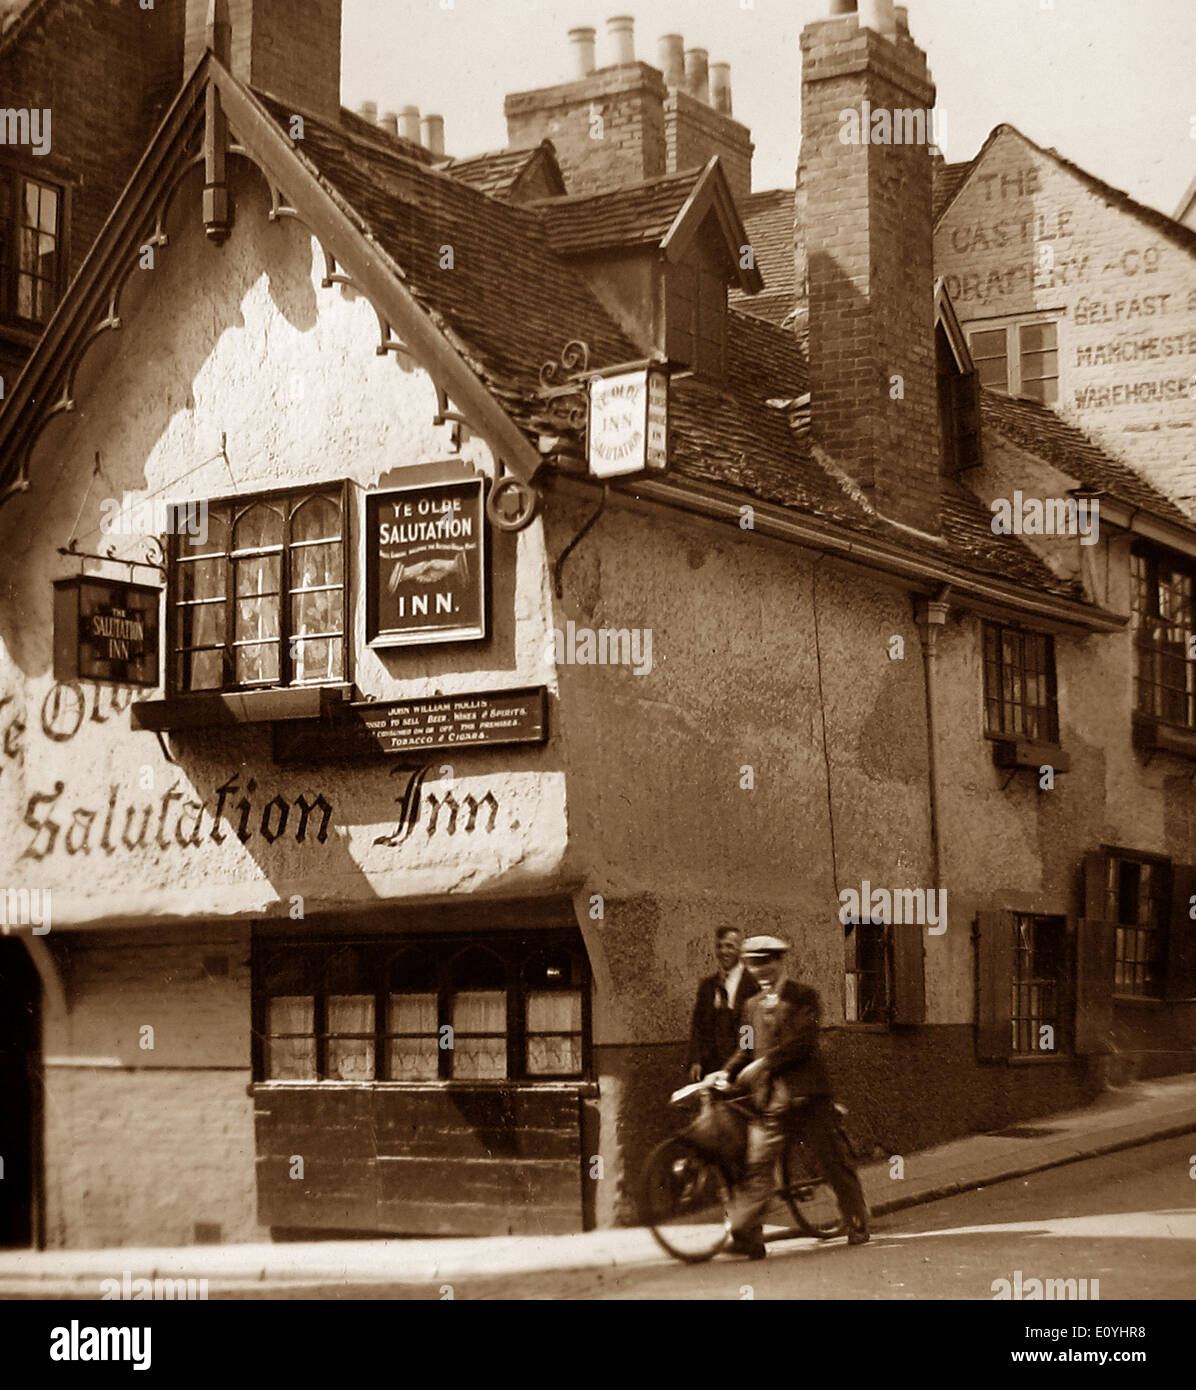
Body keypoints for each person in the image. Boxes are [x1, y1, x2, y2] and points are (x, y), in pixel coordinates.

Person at [714, 935, 870, 1258]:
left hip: (808, 1097)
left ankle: (856, 1219)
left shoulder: (804, 997)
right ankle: (748, 1238)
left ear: (779, 962)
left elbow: (804, 1042)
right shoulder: (751, 1005)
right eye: (753, 964)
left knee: (832, 1161)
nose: (760, 971)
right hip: (771, 1102)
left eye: (765, 962)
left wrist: (765, 1064)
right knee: (757, 1167)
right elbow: (745, 1050)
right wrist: (724, 1073)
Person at [686, 927, 759, 1083]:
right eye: (719, 946)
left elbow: (750, 1032)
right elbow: (697, 1026)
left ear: (740, 949)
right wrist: (696, 1060)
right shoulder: (708, 986)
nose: (723, 951)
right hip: (710, 1066)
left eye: (729, 946)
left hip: (741, 1065)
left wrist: (739, 1065)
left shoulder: (752, 984)